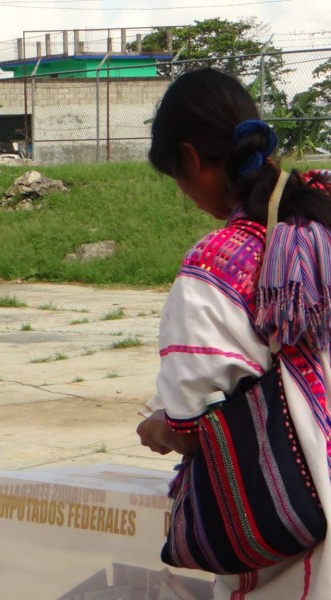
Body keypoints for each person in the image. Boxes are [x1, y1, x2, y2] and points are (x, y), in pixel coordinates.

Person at [136, 67, 331, 597]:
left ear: (191, 159)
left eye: (177, 179)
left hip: (300, 564)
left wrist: (156, 426)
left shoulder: (217, 265)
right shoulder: (320, 222)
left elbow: (192, 427)